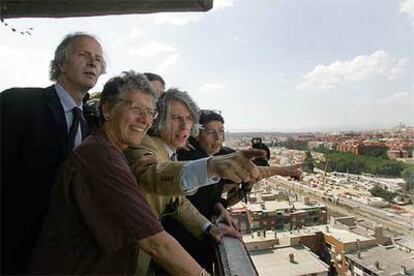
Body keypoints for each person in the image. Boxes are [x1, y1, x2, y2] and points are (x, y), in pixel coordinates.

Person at [27, 71, 209, 275]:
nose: (144, 120)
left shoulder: (109, 150)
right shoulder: (99, 158)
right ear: (107, 110)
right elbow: (155, 243)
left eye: (150, 112)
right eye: (136, 108)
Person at [124, 89, 266, 273]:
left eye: (189, 119)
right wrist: (211, 166)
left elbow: (178, 201)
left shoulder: (170, 152)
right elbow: (152, 174)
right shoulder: (146, 144)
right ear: (159, 120)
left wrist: (208, 229)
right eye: (175, 118)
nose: (184, 126)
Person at [0, 32, 105, 274]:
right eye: (84, 54)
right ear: (61, 63)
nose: (93, 63)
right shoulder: (18, 102)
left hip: (53, 254)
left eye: (98, 59)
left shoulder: (90, 129)